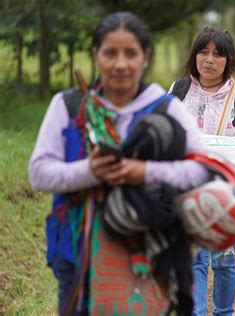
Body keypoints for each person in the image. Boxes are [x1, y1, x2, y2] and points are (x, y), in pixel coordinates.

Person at [28, 12, 208, 314]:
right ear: (96, 55)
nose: (120, 63)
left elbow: (204, 169)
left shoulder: (167, 109)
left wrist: (145, 172)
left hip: (150, 257)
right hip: (78, 258)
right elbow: (39, 172)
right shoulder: (69, 105)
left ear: (145, 56)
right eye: (110, 53)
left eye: (130, 53)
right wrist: (90, 172)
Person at [169, 26, 235, 316]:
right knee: (194, 256)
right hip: (188, 189)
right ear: (194, 56)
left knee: (223, 259)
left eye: (217, 54)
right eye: (203, 52)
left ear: (229, 60)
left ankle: (224, 312)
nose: (209, 60)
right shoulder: (178, 91)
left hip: (228, 193)